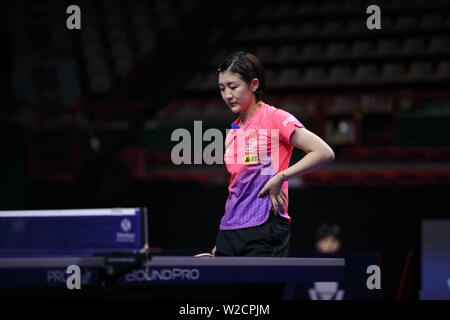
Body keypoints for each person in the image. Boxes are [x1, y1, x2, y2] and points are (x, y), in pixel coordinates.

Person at [213, 51, 335, 257]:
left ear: (253, 85)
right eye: (222, 88)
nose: (227, 95)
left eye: (233, 87)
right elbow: (237, 187)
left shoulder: (274, 117)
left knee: (261, 290)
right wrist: (224, 237)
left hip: (264, 227)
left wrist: (282, 176)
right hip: (230, 231)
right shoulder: (233, 133)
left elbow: (324, 152)